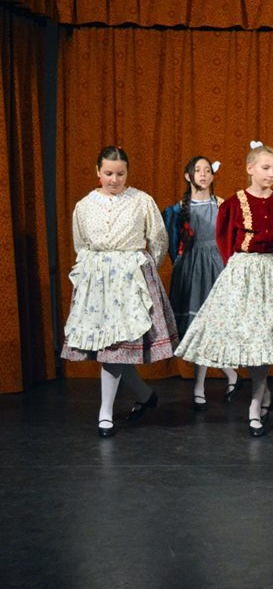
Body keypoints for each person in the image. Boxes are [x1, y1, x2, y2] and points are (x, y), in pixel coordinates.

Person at [175, 145, 273, 437]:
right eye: (265, 168)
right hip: (243, 272)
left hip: (271, 273)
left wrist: (268, 265)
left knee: (264, 337)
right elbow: (224, 240)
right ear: (250, 168)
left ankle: (255, 402)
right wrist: (240, 269)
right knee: (249, 337)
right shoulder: (233, 204)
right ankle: (261, 394)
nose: (271, 174)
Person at [62, 146, 178, 437]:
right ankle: (145, 395)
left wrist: (145, 271)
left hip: (130, 279)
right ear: (98, 172)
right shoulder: (84, 205)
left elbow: (159, 239)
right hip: (98, 282)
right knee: (113, 348)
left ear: (127, 173)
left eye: (120, 174)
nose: (114, 179)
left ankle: (105, 413)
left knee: (117, 348)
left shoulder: (141, 201)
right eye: (108, 173)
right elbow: (80, 244)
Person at [163, 156, 240, 410]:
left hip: (215, 268)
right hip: (191, 269)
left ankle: (203, 386)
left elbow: (232, 239)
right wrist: (182, 262)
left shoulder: (222, 205)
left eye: (208, 170)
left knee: (210, 327)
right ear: (188, 176)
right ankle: (226, 376)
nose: (203, 175)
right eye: (198, 170)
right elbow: (171, 242)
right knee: (196, 328)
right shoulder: (177, 210)